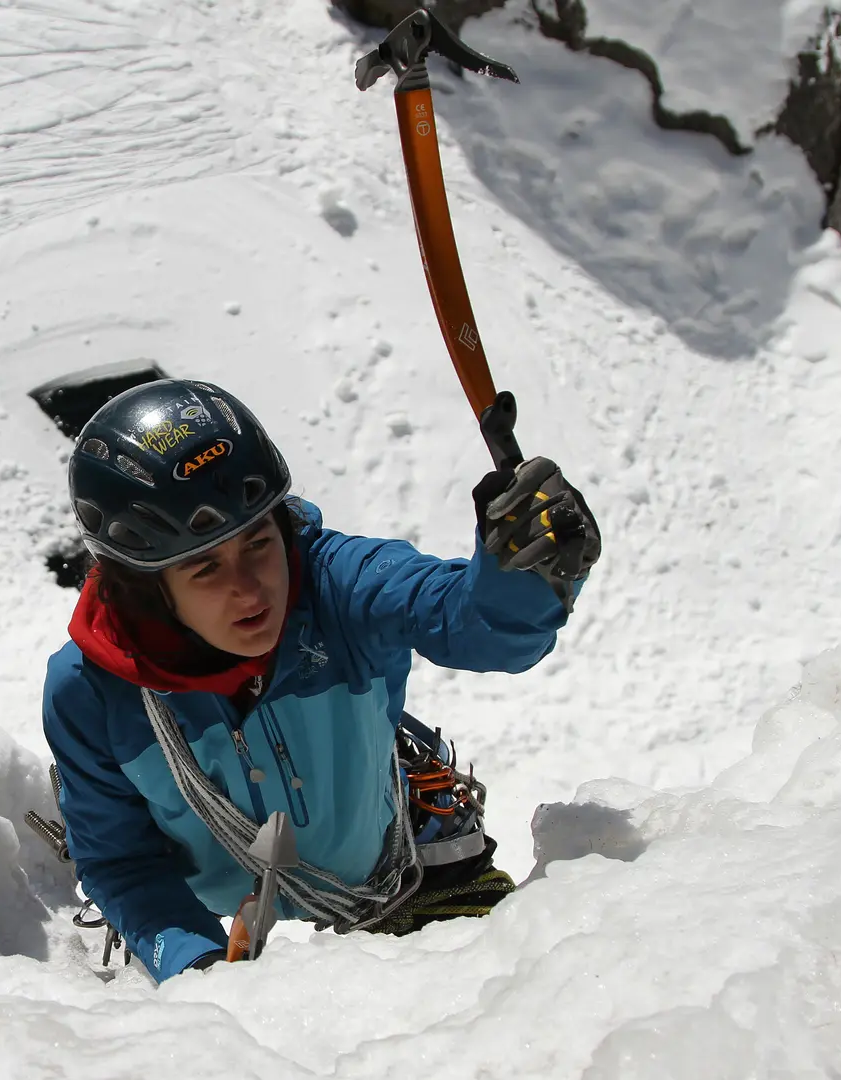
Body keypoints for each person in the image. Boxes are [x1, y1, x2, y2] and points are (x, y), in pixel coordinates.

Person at [42, 379, 600, 982]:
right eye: (205, 568)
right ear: (146, 587)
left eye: (259, 543)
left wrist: (525, 577)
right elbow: (121, 862)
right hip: (211, 925)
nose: (249, 589)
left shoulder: (339, 584)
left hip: (398, 879)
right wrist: (196, 967)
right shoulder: (91, 690)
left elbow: (475, 624)